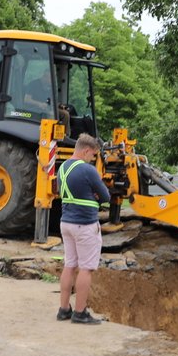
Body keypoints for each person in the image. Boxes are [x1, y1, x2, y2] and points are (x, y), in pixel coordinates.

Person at [57, 133, 111, 325]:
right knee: (86, 269)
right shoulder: (88, 170)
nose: (92, 159)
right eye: (92, 155)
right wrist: (94, 196)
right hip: (85, 225)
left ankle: (63, 309)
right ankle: (80, 313)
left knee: (70, 265)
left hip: (66, 223)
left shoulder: (62, 168)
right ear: (86, 151)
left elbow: (60, 192)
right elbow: (106, 196)